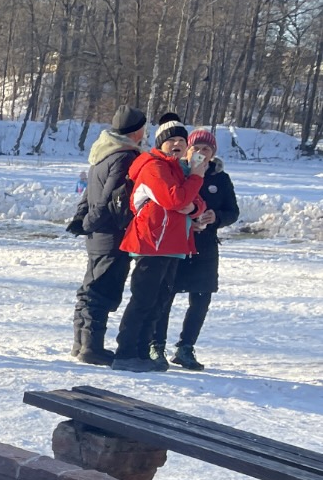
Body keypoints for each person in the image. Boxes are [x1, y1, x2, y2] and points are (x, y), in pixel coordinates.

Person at [110, 115, 207, 372]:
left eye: (182, 140)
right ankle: (126, 353)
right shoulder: (154, 167)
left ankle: (142, 353)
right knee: (143, 300)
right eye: (171, 140)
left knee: (159, 302)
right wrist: (196, 178)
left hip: (173, 244)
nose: (177, 144)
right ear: (160, 144)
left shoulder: (177, 169)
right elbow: (174, 200)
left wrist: (194, 206)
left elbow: (195, 202)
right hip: (151, 242)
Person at [153, 128, 238, 371]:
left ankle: (186, 347)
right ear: (187, 151)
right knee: (165, 294)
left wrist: (216, 217)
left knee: (201, 297)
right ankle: (156, 344)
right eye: (196, 148)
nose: (201, 153)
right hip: (177, 242)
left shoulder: (220, 178)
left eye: (206, 149)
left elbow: (233, 211)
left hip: (206, 245)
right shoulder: (177, 172)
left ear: (213, 153)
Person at [70, 106, 146, 365]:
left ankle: (80, 342)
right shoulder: (125, 157)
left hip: (97, 234)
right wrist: (90, 221)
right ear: (136, 131)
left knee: (90, 288)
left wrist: (82, 219)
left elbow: (88, 194)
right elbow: (110, 197)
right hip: (111, 233)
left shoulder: (103, 151)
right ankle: (91, 347)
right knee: (102, 290)